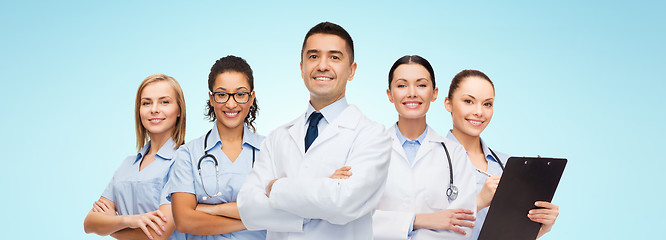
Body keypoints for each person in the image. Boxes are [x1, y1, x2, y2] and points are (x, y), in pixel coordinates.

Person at [237, 22, 391, 239]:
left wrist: (276, 187)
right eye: (313, 56)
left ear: (352, 70)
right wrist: (323, 191)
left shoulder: (373, 135)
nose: (322, 66)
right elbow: (248, 208)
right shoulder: (278, 137)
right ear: (302, 68)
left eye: (334, 57)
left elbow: (342, 203)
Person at [443, 69, 560, 239]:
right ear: (448, 104)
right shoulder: (429, 159)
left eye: (487, 104)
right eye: (468, 101)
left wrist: (540, 227)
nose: (479, 112)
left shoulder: (507, 165)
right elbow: (419, 228)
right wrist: (479, 201)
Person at [372, 55, 477, 240]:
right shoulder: (369, 149)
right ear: (390, 94)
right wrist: (419, 220)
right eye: (402, 85)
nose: (412, 93)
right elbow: (356, 220)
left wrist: (393, 226)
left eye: (421, 85)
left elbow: (463, 225)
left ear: (434, 93)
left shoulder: (455, 154)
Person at [164, 56, 266, 240]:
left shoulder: (272, 150)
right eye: (222, 94)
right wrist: (254, 219)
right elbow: (185, 221)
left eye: (240, 94)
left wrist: (212, 209)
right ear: (211, 98)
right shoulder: (188, 155)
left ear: (251, 98)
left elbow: (283, 211)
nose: (231, 103)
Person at [84, 73, 187, 240]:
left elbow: (158, 233)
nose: (154, 109)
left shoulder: (184, 161)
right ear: (139, 111)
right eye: (146, 103)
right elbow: (89, 223)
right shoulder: (127, 164)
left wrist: (111, 227)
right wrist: (129, 220)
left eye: (164, 102)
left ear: (179, 111)